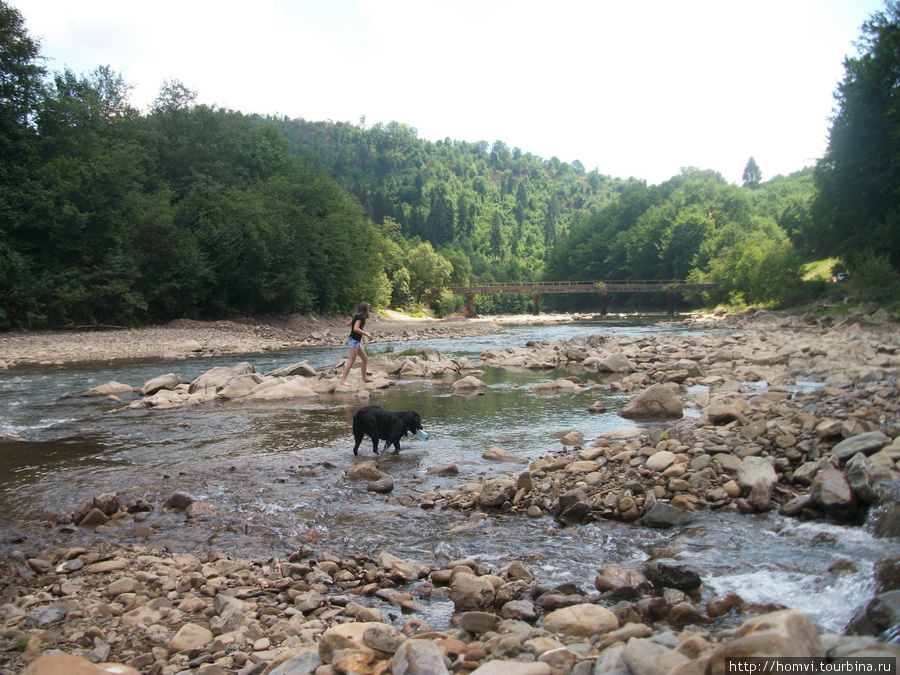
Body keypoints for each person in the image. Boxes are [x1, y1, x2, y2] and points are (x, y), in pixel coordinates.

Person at [340, 301, 374, 387]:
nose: (369, 309)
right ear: (365, 309)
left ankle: (364, 378)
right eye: (368, 308)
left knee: (365, 358)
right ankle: (343, 380)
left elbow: (348, 324)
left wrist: (353, 320)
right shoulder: (360, 318)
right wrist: (366, 334)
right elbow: (355, 329)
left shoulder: (356, 316)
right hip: (353, 341)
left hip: (355, 341)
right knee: (351, 360)